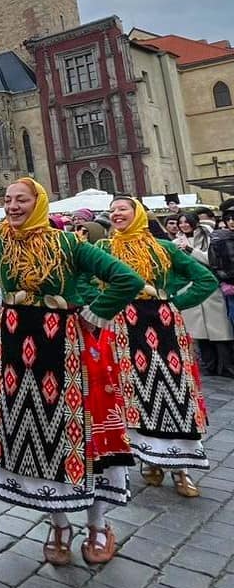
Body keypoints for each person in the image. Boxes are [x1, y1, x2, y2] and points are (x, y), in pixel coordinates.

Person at [0, 180, 144, 566]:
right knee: (34, 434)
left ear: (38, 202)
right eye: (7, 200)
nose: (12, 206)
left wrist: (95, 313)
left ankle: (98, 524)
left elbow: (128, 279)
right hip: (15, 351)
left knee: (81, 432)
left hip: (64, 348)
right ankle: (58, 523)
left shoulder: (69, 244)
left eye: (21, 199)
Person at [99, 197, 216, 497]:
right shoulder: (104, 249)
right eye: (112, 210)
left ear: (138, 214)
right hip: (125, 330)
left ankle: (182, 469)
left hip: (164, 330)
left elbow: (205, 279)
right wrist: (105, 306)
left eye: (122, 209)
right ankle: (149, 460)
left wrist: (175, 304)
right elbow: (83, 281)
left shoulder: (163, 248)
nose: (116, 214)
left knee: (175, 392)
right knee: (135, 394)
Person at [173, 211, 233, 376]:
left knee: (220, 330)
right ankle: (210, 366)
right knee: (199, 333)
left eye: (186, 222)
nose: (183, 225)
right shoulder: (175, 242)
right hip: (189, 288)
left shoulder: (207, 237)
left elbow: (210, 260)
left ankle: (226, 367)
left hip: (210, 287)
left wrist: (190, 250)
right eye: (181, 222)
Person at [210, 202, 234, 344]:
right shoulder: (219, 239)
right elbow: (215, 264)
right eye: (228, 219)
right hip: (231, 288)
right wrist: (225, 280)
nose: (231, 222)